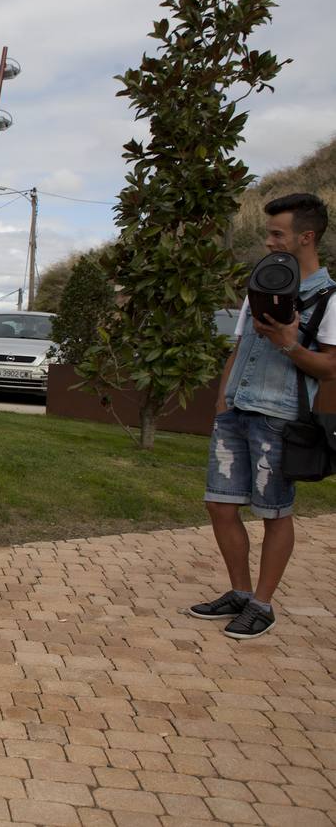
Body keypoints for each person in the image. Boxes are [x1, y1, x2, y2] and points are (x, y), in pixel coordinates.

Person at [192, 193, 336, 639]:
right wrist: (222, 402)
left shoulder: (330, 298)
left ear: (306, 237)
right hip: (235, 411)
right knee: (219, 505)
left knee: (274, 512)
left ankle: (262, 604)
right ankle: (239, 592)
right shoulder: (263, 283)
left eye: (278, 233)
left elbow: (330, 368)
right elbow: (237, 349)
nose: (270, 241)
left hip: (280, 417)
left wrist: (289, 342)